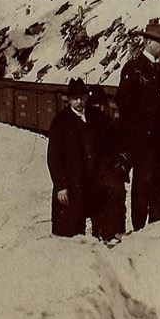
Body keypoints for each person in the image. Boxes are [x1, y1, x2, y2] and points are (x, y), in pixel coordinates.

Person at [118, 19, 160, 230]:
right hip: (142, 140)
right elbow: (124, 105)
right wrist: (133, 138)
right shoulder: (133, 69)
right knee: (143, 184)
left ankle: (157, 228)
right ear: (148, 42)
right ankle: (139, 228)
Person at [46, 80, 93, 237]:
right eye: (75, 98)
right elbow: (54, 157)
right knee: (67, 228)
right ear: (69, 100)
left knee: (81, 226)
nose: (79, 102)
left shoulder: (93, 117)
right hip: (69, 183)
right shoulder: (60, 122)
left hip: (86, 181)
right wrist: (61, 185)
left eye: (82, 97)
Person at [85, 86, 127, 241]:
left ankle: (106, 231)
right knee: (109, 198)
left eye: (99, 104)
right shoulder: (95, 123)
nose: (98, 107)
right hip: (98, 169)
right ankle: (108, 232)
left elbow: (118, 144)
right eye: (95, 104)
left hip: (104, 168)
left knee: (108, 200)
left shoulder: (104, 122)